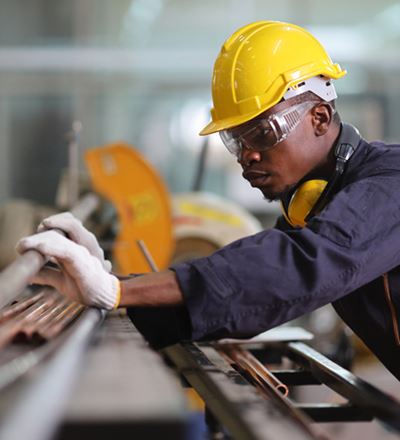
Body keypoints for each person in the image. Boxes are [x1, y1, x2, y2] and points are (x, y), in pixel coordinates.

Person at [16, 21, 400, 380]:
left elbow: (297, 267)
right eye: (236, 139)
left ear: (319, 117)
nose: (247, 154)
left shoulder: (390, 183)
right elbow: (256, 296)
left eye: (264, 132)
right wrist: (106, 284)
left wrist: (118, 291)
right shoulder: (314, 204)